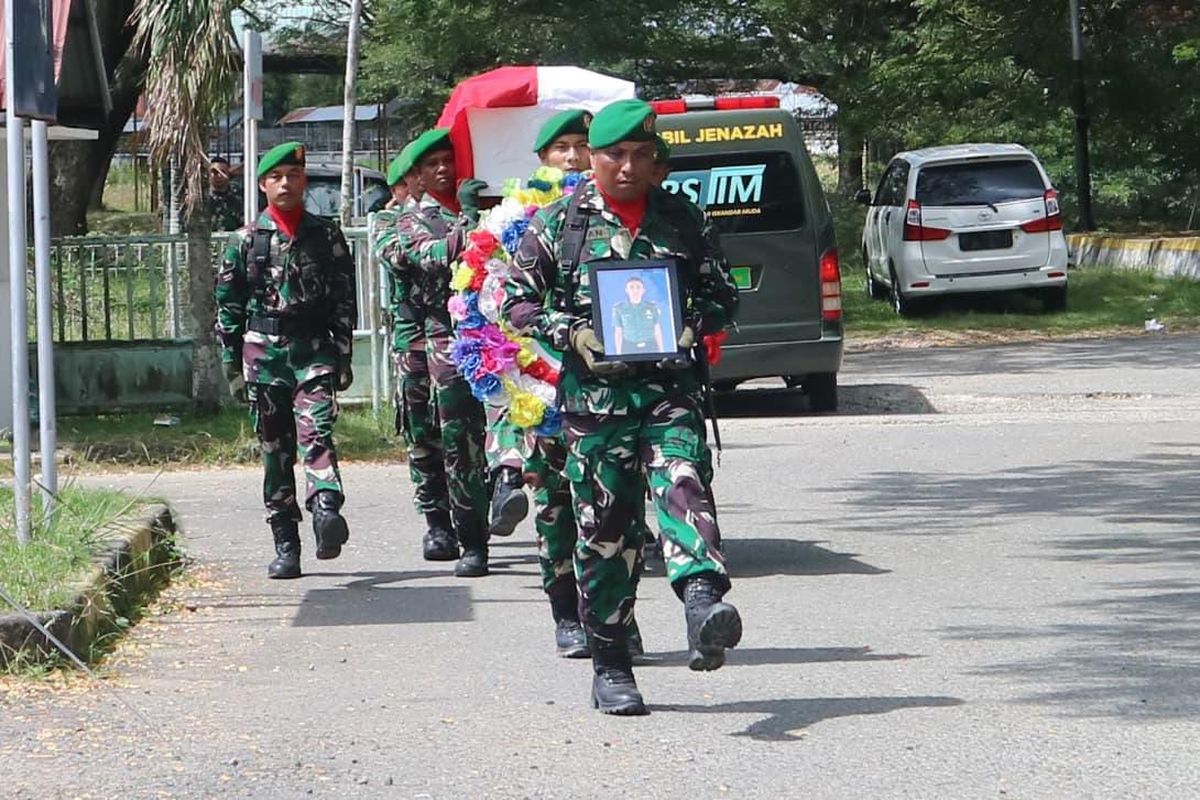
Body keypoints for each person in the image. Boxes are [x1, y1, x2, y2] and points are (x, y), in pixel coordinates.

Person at [505, 99, 742, 715]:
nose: (629, 167)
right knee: (606, 533)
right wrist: (573, 334)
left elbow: (722, 293)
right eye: (616, 155)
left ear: (657, 160)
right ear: (593, 158)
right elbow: (514, 301)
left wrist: (694, 325)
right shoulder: (560, 225)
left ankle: (702, 603)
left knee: (684, 484)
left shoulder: (683, 221)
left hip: (669, 395)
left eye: (642, 155)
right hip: (596, 405)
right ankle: (610, 663)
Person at [215, 141, 356, 579]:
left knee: (317, 430)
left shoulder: (326, 235)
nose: (285, 183)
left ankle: (326, 508)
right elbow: (228, 307)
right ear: (262, 185)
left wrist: (343, 354)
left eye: (293, 176)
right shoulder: (244, 241)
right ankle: (286, 543)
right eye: (276, 177)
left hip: (313, 351)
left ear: (304, 182)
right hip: (264, 358)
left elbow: (343, 298)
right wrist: (231, 367)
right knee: (276, 451)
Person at [394, 129, 491, 578]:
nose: (444, 170)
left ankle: (475, 532)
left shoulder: (484, 212)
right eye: (433, 164)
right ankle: (442, 526)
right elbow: (431, 257)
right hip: (428, 338)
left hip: (478, 339)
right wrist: (471, 221)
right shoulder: (407, 220)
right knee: (430, 440)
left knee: (468, 443)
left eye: (449, 161)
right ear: (417, 175)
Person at [373, 146, 459, 561]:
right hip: (416, 342)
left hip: (462, 339)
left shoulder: (459, 215)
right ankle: (437, 523)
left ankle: (472, 514)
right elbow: (414, 256)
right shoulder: (391, 222)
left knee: (468, 433)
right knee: (423, 434)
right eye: (408, 181)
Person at [610, 275, 665, 355]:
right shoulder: (619, 308)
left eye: (638, 287)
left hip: (650, 346)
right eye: (631, 287)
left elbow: (657, 329)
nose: (635, 291)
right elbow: (618, 332)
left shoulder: (652, 307)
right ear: (626, 290)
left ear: (643, 290)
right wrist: (618, 352)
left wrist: (661, 350)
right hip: (629, 346)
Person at [208, 156, 243, 232]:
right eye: (215, 172)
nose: (219, 176)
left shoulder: (238, 198)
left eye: (223, 172)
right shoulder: (203, 198)